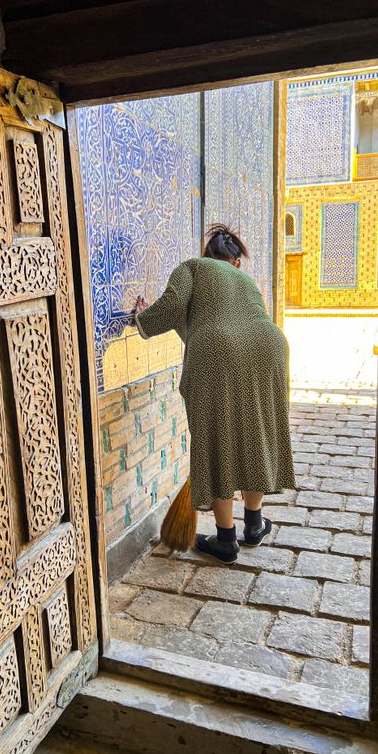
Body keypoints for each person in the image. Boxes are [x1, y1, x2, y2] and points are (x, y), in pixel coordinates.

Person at [134, 224, 295, 565]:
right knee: (256, 433)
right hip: (269, 347)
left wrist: (141, 319)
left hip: (220, 352)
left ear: (207, 254)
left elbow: (175, 305)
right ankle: (254, 524)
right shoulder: (246, 281)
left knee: (216, 439)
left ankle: (225, 540)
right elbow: (200, 320)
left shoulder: (192, 267)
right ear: (236, 261)